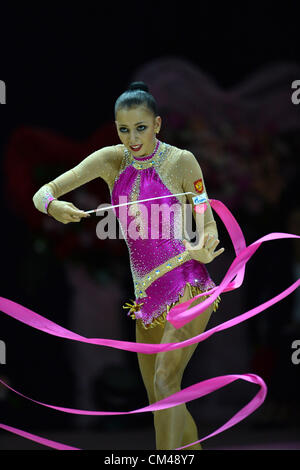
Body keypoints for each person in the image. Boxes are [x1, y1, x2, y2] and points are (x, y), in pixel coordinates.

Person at [32, 81, 224, 450]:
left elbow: (207, 220)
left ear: (157, 125)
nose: (132, 138)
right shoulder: (110, 160)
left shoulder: (182, 161)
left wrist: (204, 243)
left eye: (140, 128)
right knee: (161, 399)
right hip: (145, 298)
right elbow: (43, 192)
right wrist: (54, 207)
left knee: (166, 383)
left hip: (187, 283)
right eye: (123, 129)